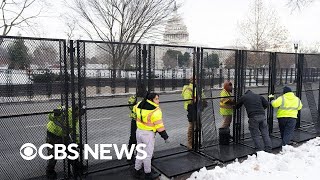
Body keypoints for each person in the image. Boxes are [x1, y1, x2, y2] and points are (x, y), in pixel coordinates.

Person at [133, 93, 169, 180]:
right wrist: (165, 137)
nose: (158, 101)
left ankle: (137, 170)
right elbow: (159, 126)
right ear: (151, 100)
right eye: (156, 99)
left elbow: (134, 111)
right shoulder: (156, 110)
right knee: (147, 155)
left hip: (139, 132)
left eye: (158, 98)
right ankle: (148, 174)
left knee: (140, 152)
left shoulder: (139, 104)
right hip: (148, 134)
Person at [46, 104, 85, 179]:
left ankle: (76, 167)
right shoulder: (65, 112)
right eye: (80, 113)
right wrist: (55, 112)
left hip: (64, 135)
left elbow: (75, 131)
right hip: (53, 134)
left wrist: (77, 143)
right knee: (54, 154)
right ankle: (50, 172)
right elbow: (50, 116)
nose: (80, 115)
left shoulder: (75, 118)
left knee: (72, 150)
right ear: (76, 110)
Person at [182, 77, 196, 149]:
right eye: (195, 80)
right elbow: (188, 100)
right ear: (192, 81)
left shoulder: (198, 87)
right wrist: (196, 100)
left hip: (198, 108)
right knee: (192, 125)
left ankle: (195, 141)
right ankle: (190, 143)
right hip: (191, 108)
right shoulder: (189, 89)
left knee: (197, 125)